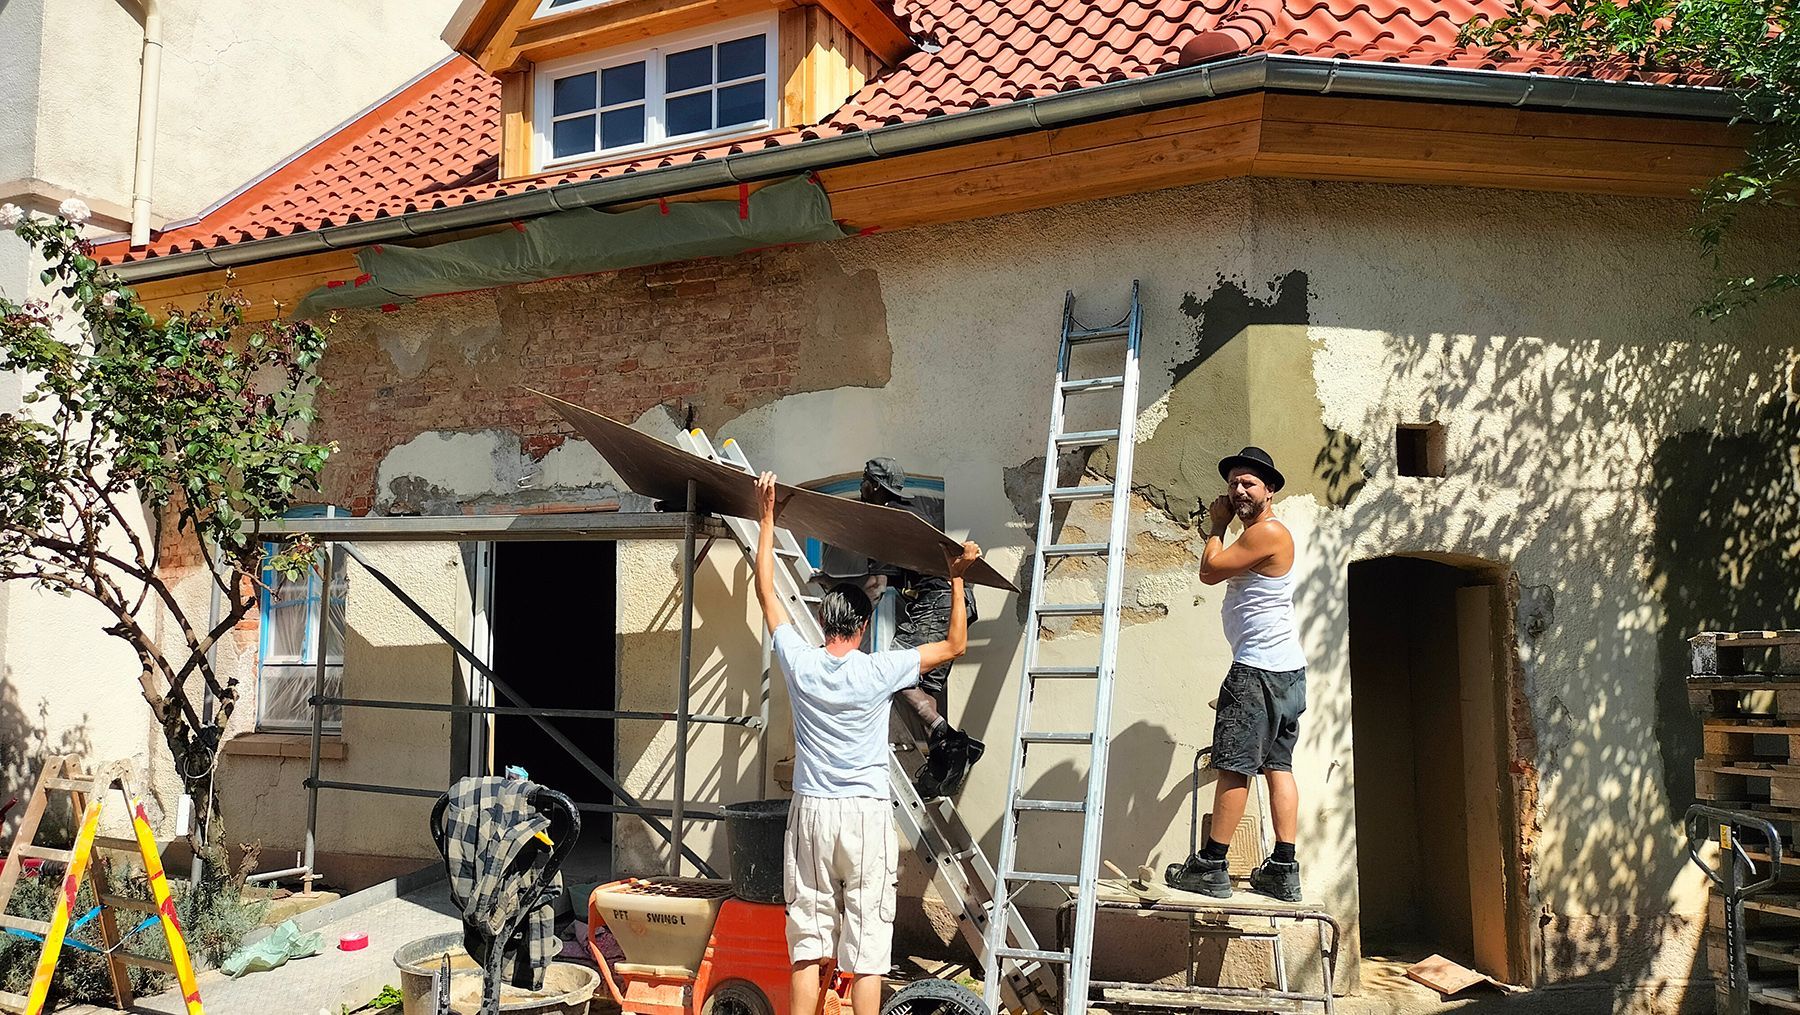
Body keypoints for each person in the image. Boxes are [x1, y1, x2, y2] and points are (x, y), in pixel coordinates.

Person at [753, 471, 982, 1015]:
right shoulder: (880, 669)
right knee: (868, 949)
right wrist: (955, 577)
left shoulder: (801, 662)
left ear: (825, 622)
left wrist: (766, 520)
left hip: (811, 812)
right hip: (865, 814)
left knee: (807, 941)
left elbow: (766, 591)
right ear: (860, 626)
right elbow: (954, 644)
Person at [1165, 447, 1307, 902]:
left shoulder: (1265, 533)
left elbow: (1209, 572)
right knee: (1276, 765)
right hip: (1285, 670)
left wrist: (1217, 526)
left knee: (1233, 766)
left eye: (1249, 483)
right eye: (1233, 483)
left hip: (1257, 670)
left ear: (1270, 490)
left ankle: (1210, 865)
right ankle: (1283, 869)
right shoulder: (1266, 534)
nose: (1238, 490)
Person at [855, 457, 984, 798]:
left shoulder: (887, 523)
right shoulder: (913, 513)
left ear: (875, 486)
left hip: (936, 602)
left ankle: (951, 739)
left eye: (864, 482)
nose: (860, 488)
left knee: (892, 671)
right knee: (923, 685)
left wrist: (850, 620)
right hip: (956, 603)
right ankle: (943, 765)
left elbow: (877, 586)